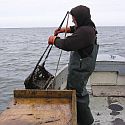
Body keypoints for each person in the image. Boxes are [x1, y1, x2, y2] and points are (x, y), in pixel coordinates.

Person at [48, 5, 99, 125]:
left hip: (81, 68)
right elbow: (75, 29)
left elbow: (68, 44)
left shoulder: (85, 32)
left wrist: (53, 40)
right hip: (82, 66)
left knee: (79, 93)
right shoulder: (88, 26)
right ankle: (79, 117)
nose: (73, 21)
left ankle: (86, 121)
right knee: (76, 90)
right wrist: (62, 30)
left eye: (74, 19)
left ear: (80, 18)